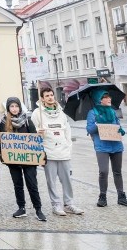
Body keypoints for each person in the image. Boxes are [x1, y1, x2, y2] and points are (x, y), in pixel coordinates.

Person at [31, 85, 83, 216]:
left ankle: (69, 203)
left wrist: (68, 146)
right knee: (51, 181)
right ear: (42, 99)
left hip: (63, 151)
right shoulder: (37, 114)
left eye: (51, 95)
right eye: (47, 96)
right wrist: (38, 133)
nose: (50, 98)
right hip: (48, 152)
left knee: (67, 179)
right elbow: (31, 133)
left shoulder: (61, 113)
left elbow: (67, 131)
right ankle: (56, 205)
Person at [86, 89, 127, 208]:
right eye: (105, 97)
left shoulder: (112, 111)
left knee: (117, 171)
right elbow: (90, 129)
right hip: (102, 146)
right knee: (103, 171)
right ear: (99, 100)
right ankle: (102, 196)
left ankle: (121, 196)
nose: (109, 99)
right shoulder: (92, 112)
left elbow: (117, 124)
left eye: (109, 97)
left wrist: (120, 129)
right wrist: (97, 124)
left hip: (116, 145)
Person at [2, 97, 46, 221]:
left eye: (16, 106)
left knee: (32, 184)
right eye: (12, 106)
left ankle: (38, 209)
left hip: (29, 160)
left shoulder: (27, 120)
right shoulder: (4, 122)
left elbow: (35, 140)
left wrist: (39, 137)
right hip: (13, 160)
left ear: (20, 107)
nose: (14, 109)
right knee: (18, 185)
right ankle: (21, 207)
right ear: (8, 108)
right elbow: (2, 139)